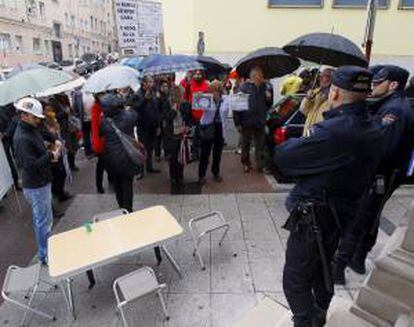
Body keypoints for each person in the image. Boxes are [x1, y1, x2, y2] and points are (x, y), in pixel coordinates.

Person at [274, 66, 382, 327]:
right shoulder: (372, 125)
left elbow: (283, 157)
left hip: (316, 217)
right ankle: (319, 312)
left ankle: (307, 321)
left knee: (296, 278)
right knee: (323, 268)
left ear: (334, 92)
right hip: (342, 212)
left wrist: (310, 137)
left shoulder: (336, 130)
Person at [333, 65, 414, 284]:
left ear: (393, 85)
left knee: (360, 218)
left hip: (380, 175)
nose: (373, 87)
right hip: (383, 175)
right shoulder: (391, 104)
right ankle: (357, 259)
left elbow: (382, 149)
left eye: (378, 83)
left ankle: (338, 268)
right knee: (369, 216)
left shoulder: (395, 110)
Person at [13, 98, 62, 265]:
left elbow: (42, 132)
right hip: (36, 185)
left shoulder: (30, 127)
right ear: (24, 116)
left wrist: (54, 139)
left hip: (39, 182)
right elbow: (30, 165)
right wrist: (50, 155)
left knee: (41, 219)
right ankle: (45, 254)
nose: (38, 120)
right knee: (43, 221)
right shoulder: (22, 138)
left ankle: (46, 250)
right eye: (35, 117)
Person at [100, 94, 139, 213]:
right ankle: (128, 209)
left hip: (112, 159)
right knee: (127, 185)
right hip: (127, 157)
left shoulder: (104, 123)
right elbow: (135, 115)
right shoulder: (129, 117)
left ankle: (121, 206)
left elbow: (101, 134)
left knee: (117, 185)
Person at [234, 66, 272, 174]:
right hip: (246, 121)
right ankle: (246, 163)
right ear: (254, 76)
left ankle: (261, 165)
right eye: (261, 75)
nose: (263, 77)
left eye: (262, 75)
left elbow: (269, 104)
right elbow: (237, 107)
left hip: (260, 121)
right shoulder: (244, 87)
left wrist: (268, 98)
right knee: (245, 145)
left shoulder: (266, 87)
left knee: (260, 145)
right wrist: (237, 123)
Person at [198, 81, 229, 184]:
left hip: (219, 127)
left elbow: (231, 109)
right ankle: (201, 174)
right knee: (205, 152)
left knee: (217, 153)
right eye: (211, 90)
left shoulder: (225, 100)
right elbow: (198, 106)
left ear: (219, 91)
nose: (212, 92)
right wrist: (199, 99)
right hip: (208, 126)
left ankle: (215, 172)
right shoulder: (207, 99)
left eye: (214, 90)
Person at [42, 102, 72, 202]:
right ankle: (58, 193)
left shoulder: (53, 120)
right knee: (57, 175)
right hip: (51, 153)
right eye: (47, 110)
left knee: (62, 173)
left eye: (50, 110)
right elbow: (44, 140)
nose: (49, 112)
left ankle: (60, 192)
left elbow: (58, 134)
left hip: (58, 150)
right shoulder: (42, 124)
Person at [162, 85, 191, 184]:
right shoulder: (167, 103)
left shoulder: (185, 104)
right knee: (173, 157)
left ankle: (180, 175)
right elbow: (166, 118)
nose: (179, 97)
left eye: (180, 94)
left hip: (182, 133)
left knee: (181, 155)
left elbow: (188, 117)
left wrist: (188, 126)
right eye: (177, 94)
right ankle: (173, 176)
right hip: (171, 134)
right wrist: (174, 110)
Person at [135, 75, 161, 173]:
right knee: (142, 148)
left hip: (152, 126)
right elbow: (137, 109)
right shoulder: (138, 94)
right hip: (142, 126)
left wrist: (158, 125)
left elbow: (156, 110)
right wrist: (145, 99)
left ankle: (149, 167)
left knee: (150, 148)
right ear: (144, 83)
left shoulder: (154, 92)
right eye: (149, 82)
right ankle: (141, 170)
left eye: (152, 82)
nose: (152, 84)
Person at [301, 68, 334, 137]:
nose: (321, 79)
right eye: (320, 76)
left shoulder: (335, 96)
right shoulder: (316, 92)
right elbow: (303, 111)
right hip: (308, 133)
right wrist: (308, 99)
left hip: (321, 136)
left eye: (324, 76)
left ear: (332, 78)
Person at [91, 93, 107, 193]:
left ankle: (111, 178)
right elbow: (98, 125)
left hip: (107, 139)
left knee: (109, 161)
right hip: (100, 140)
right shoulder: (96, 108)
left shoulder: (105, 106)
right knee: (101, 164)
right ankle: (99, 185)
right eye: (101, 94)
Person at [72, 88, 94, 158]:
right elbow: (74, 106)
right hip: (84, 120)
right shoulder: (77, 94)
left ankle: (96, 149)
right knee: (86, 137)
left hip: (93, 118)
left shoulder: (92, 90)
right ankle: (88, 153)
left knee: (95, 135)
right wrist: (78, 116)